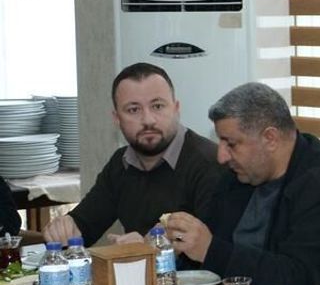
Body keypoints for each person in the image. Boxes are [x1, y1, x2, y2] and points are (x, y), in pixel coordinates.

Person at [166, 82, 320, 285]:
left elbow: (298, 278)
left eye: (231, 144)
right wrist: (175, 244)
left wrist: (209, 249)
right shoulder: (239, 175)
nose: (221, 156)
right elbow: (207, 248)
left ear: (270, 138)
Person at [42, 63, 220, 246]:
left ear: (176, 109)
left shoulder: (210, 163)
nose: (148, 120)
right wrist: (64, 228)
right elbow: (85, 224)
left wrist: (151, 248)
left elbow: (216, 247)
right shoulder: (121, 163)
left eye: (158, 106)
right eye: (133, 110)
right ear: (117, 119)